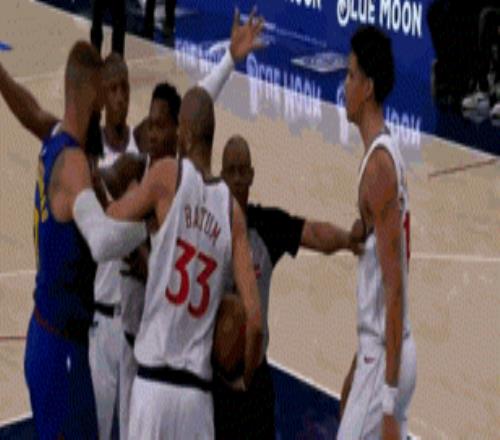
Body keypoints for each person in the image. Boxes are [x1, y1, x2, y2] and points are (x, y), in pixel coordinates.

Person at [106, 86, 263, 439]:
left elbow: (111, 220)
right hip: (196, 399)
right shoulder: (232, 212)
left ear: (186, 133)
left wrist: (113, 192)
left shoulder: (167, 175)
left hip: (152, 389)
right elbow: (254, 321)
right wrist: (242, 378)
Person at [23, 41, 147, 439]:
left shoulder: (56, 140)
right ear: (93, 93)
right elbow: (102, 242)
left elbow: (29, 111)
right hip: (63, 343)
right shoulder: (75, 165)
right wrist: (151, 221)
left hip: (51, 335)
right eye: (104, 92)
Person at [213, 135, 364, 439]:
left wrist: (348, 240)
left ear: (252, 175)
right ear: (222, 177)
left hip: (254, 376)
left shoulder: (266, 226)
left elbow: (313, 233)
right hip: (214, 377)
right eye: (232, 171)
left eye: (243, 171)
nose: (238, 178)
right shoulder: (208, 227)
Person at [337, 26, 417, 440]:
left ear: (367, 88)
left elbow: (395, 287)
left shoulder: (378, 170)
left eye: (350, 75)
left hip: (385, 356)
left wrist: (386, 402)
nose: (344, 85)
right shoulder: (385, 154)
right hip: (382, 350)